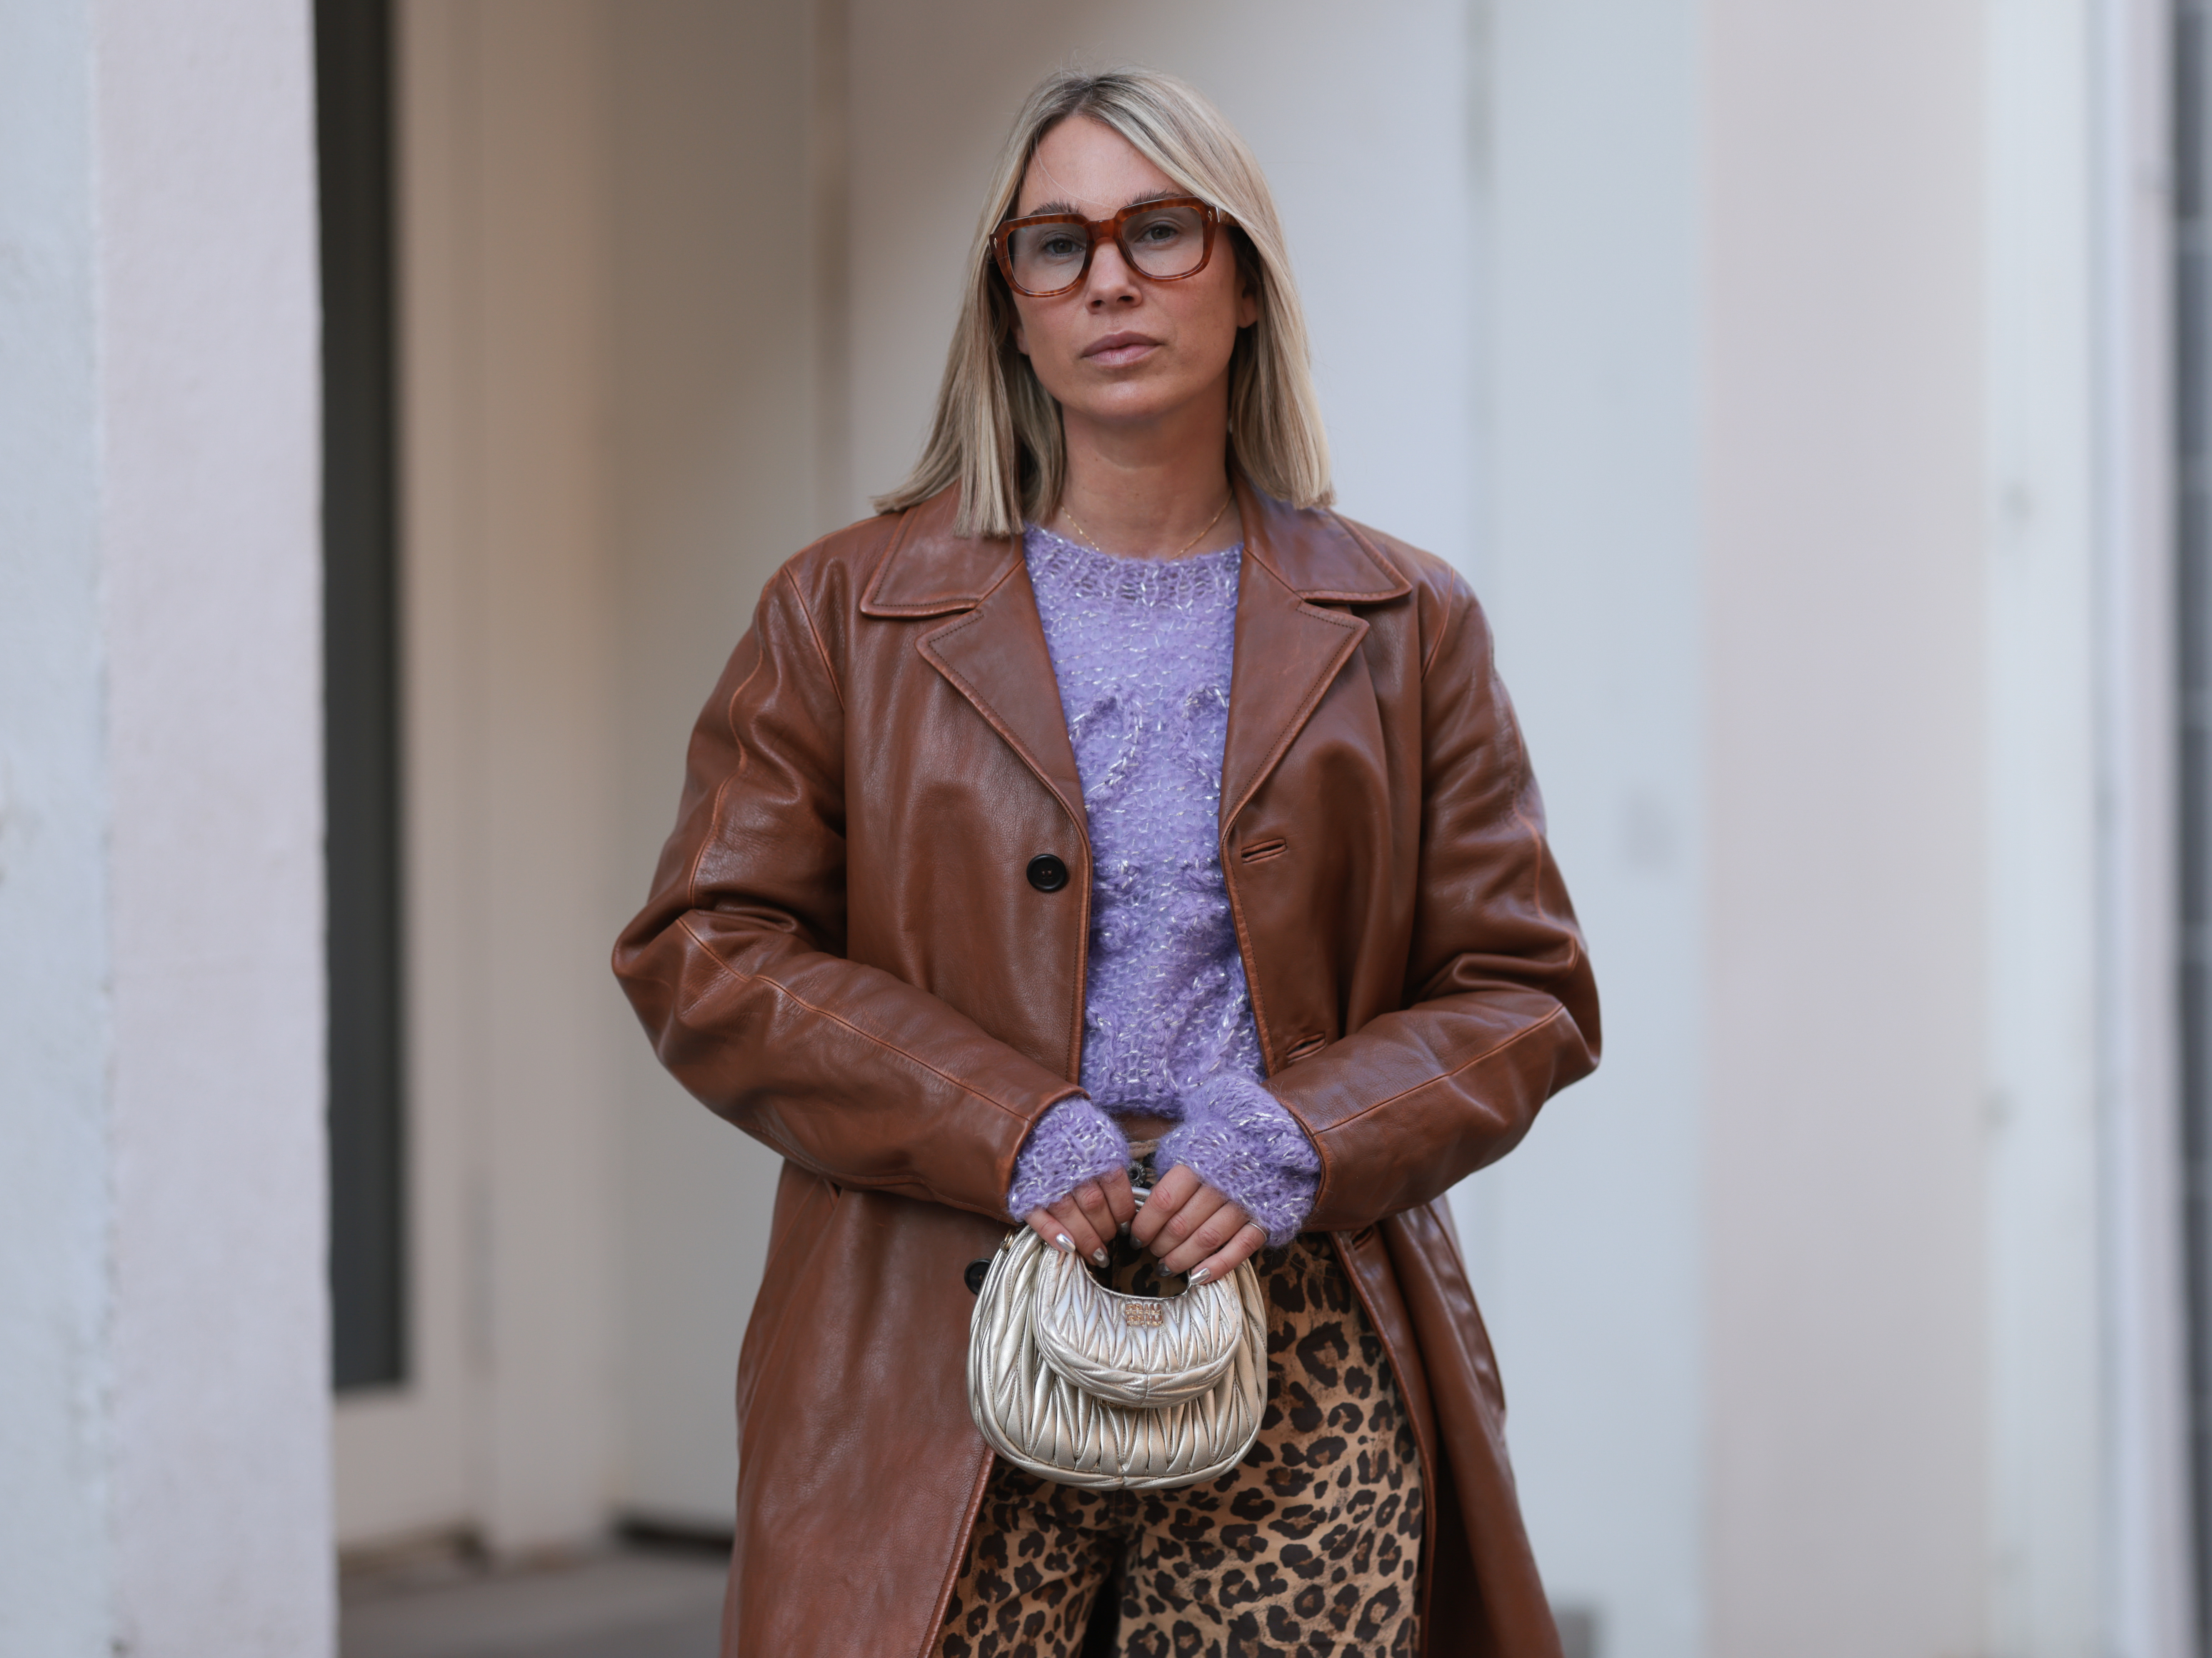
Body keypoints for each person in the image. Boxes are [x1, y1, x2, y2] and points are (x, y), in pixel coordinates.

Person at [613, 65, 1599, 1658]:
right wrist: (1003, 1122)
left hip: (1300, 1327)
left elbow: (1522, 989)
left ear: (1244, 280)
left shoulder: (1404, 623)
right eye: (1056, 244)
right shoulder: (842, 611)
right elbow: (705, 950)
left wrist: (1293, 1135)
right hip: (936, 1322)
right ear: (1009, 309)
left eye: (1159, 231)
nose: (1109, 279)